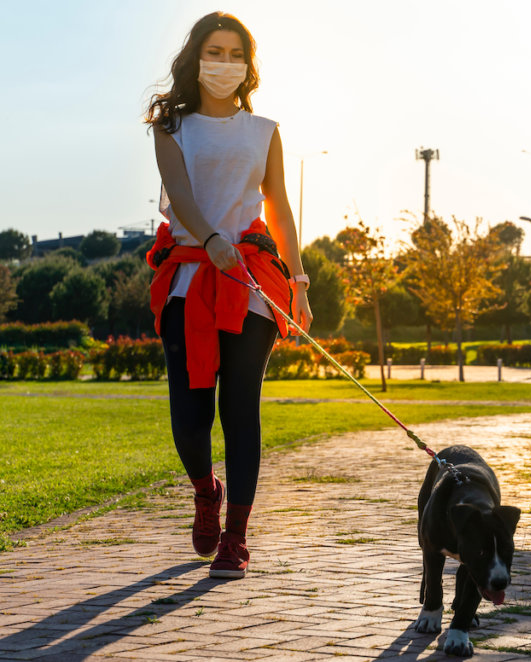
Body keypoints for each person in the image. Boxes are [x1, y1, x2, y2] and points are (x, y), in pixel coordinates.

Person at [143, 12, 313, 579]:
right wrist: (210, 238)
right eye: (213, 52)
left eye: (235, 53)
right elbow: (181, 195)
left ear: (248, 63)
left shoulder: (264, 131)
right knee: (190, 420)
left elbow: (279, 206)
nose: (224, 64)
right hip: (190, 278)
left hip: (250, 284)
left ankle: (236, 537)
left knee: (241, 411)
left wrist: (300, 281)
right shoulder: (173, 128)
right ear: (196, 58)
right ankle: (204, 491)